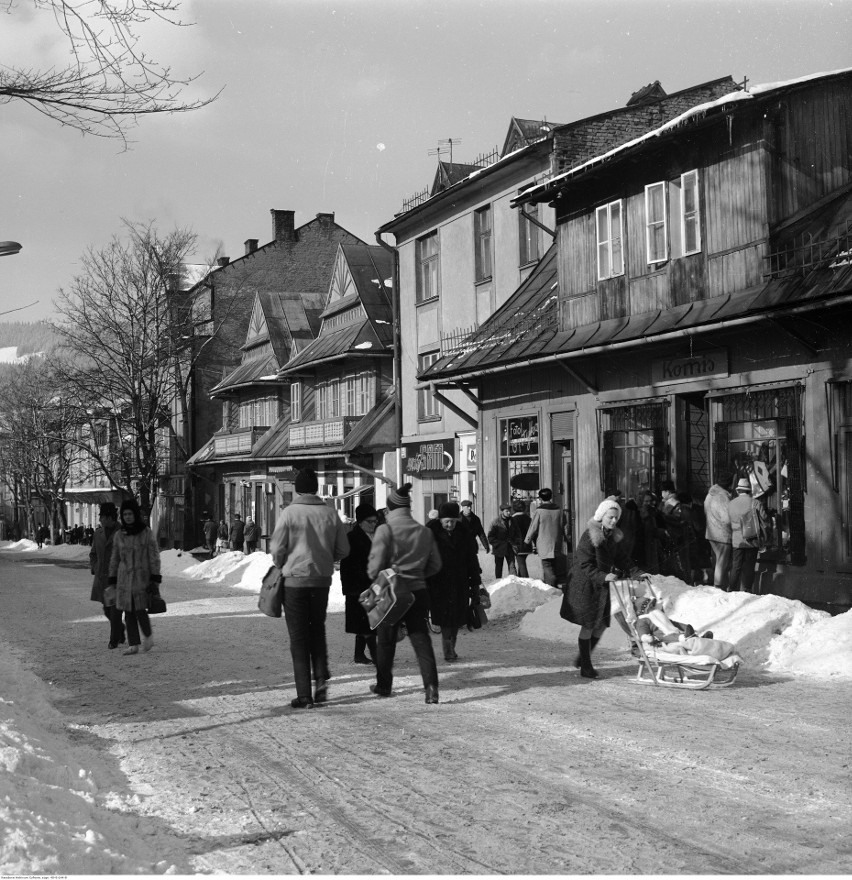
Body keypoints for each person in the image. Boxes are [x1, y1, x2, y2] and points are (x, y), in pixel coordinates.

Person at [270, 467, 350, 709]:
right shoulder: (330, 513)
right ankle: (321, 679)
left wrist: (283, 563)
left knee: (298, 637)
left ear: (297, 488)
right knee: (317, 629)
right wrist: (326, 558)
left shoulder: (289, 513)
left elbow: (276, 549)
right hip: (321, 581)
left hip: (295, 581)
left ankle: (304, 694)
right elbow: (344, 550)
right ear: (316, 488)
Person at [367, 483, 442, 703]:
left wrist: (383, 575)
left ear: (390, 509)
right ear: (408, 508)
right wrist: (417, 574)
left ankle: (384, 685)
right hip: (418, 591)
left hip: (392, 593)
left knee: (386, 640)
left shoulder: (385, 530)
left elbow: (374, 567)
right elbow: (435, 564)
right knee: (421, 640)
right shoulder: (424, 531)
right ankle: (431, 689)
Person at [563, 498, 644, 679]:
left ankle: (583, 659)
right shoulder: (589, 536)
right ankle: (586, 666)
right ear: (601, 516)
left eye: (616, 518)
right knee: (590, 625)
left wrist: (637, 573)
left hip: (602, 586)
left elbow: (622, 559)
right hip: (585, 585)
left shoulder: (612, 537)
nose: (614, 521)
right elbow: (582, 564)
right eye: (610, 517)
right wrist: (603, 576)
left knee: (601, 626)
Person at [427, 502, 481, 662]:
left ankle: (451, 646)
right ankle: (448, 648)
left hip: (459, 581)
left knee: (457, 617)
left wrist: (475, 581)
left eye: (452, 521)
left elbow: (472, 559)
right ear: (440, 520)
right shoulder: (430, 534)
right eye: (446, 521)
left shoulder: (464, 534)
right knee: (444, 618)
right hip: (438, 582)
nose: (450, 524)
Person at [108, 499, 161, 656]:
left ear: (135, 514)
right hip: (124, 578)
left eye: (130, 513)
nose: (127, 517)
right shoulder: (119, 535)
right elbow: (114, 558)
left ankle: (148, 637)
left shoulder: (145, 533)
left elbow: (154, 556)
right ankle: (133, 644)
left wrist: (155, 576)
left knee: (140, 609)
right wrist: (112, 578)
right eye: (125, 514)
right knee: (128, 611)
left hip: (142, 577)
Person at [340, 503, 380, 665]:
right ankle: (377, 656)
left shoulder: (375, 536)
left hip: (373, 585)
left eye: (375, 521)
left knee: (367, 621)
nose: (374, 524)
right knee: (366, 623)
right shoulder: (352, 538)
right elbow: (346, 567)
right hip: (358, 587)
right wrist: (352, 589)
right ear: (361, 521)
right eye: (370, 521)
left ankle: (359, 654)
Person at [89, 502, 125, 649]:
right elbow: (93, 554)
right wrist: (95, 567)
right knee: (107, 609)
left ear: (110, 517)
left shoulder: (123, 532)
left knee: (115, 610)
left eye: (102, 516)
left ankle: (113, 639)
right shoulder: (98, 533)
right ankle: (121, 630)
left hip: (118, 578)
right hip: (102, 577)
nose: (100, 519)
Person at [728, 477, 770, 593]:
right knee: (749, 566)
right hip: (752, 540)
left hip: (737, 541)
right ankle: (747, 589)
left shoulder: (731, 504)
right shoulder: (755, 503)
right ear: (749, 491)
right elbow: (765, 519)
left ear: (738, 491)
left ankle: (732, 589)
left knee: (736, 565)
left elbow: (727, 521)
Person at [525, 488, 567, 589]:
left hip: (544, 542)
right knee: (554, 564)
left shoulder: (539, 511)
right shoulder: (559, 510)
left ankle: (551, 585)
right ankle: (553, 583)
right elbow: (564, 524)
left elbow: (533, 527)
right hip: (557, 541)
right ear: (551, 497)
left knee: (547, 565)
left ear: (540, 498)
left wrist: (527, 540)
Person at [704, 471, 733, 589]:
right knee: (722, 564)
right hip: (722, 534)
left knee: (718, 562)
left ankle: (721, 586)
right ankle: (719, 587)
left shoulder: (710, 494)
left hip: (711, 533)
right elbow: (727, 518)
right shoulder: (723, 496)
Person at [487, 502, 517, 579]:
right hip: (499, 548)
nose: (509, 512)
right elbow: (490, 537)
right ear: (502, 511)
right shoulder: (496, 522)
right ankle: (498, 584)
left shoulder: (513, 521)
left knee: (512, 567)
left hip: (510, 547)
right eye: (507, 511)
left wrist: (517, 544)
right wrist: (497, 544)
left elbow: (518, 533)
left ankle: (514, 583)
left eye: (510, 510)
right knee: (499, 567)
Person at [509, 499, 533, 579]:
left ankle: (526, 581)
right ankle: (521, 581)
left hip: (517, 545)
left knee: (521, 564)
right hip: (527, 545)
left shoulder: (513, 519)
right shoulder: (528, 519)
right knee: (521, 563)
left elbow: (511, 533)